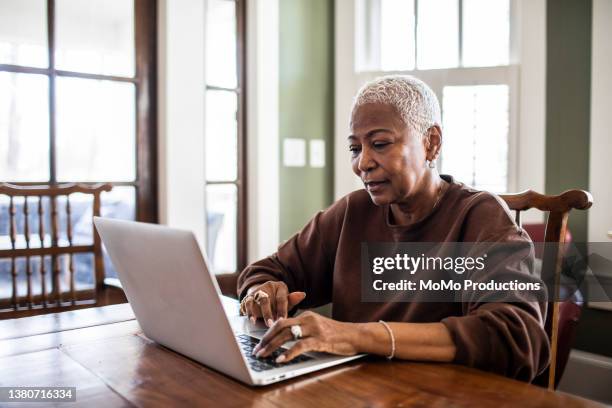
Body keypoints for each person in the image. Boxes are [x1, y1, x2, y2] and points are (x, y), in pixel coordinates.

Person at [237, 75, 550, 382]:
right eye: (355, 148)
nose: (363, 163)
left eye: (380, 144)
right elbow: (268, 270)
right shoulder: (353, 212)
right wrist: (261, 291)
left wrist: (355, 335)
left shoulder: (479, 216)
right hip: (361, 391)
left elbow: (516, 337)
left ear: (431, 143)